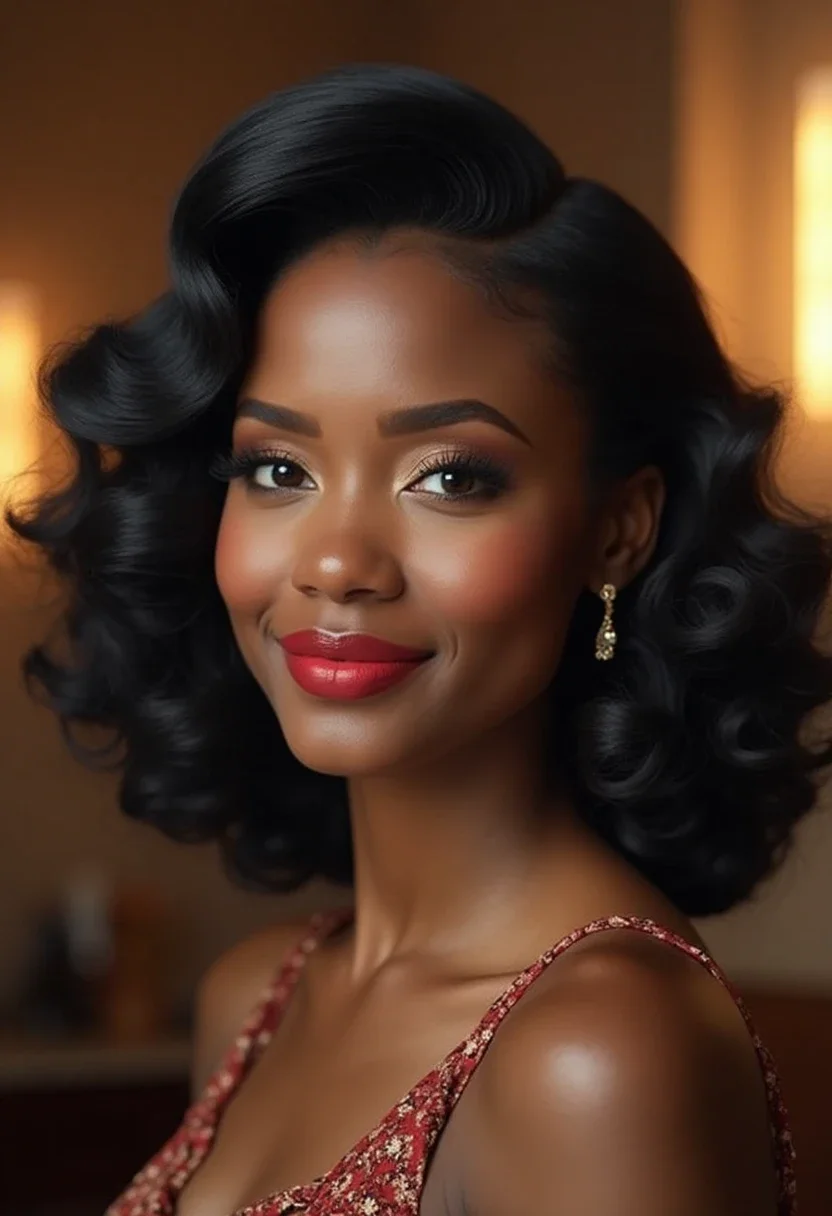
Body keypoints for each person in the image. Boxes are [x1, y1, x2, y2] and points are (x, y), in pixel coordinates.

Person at [9, 62, 831, 1216]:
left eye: (450, 475)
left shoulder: (597, 1053)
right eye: (277, 467)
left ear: (618, 529)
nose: (338, 560)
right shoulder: (258, 996)